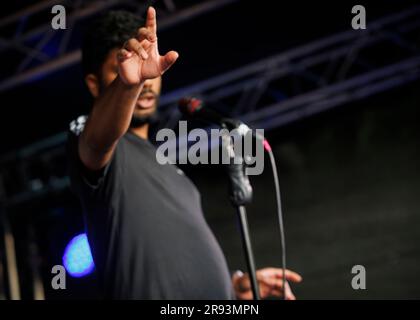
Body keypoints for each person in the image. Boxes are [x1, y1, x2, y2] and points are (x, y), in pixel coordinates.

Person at [67, 7, 302, 300]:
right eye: (122, 68)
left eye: (146, 68)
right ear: (94, 84)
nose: (147, 81)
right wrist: (128, 84)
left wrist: (233, 287)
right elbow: (95, 144)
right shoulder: (95, 138)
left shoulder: (168, 167)